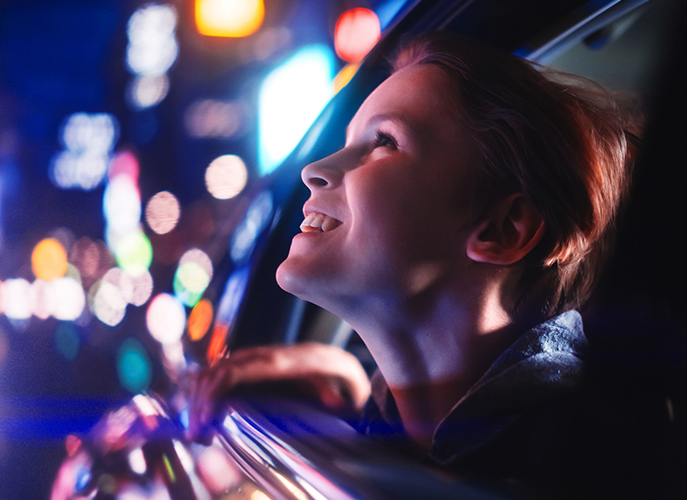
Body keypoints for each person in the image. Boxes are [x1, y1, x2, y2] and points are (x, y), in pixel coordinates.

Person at [189, 31, 639, 498]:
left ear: (503, 230)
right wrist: (350, 387)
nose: (314, 169)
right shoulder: (497, 438)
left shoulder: (583, 465)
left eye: (384, 140)